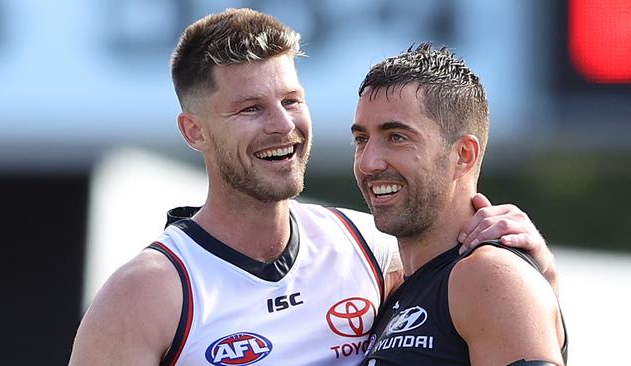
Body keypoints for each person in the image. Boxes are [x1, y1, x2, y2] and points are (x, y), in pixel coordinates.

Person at [68, 9, 559, 366]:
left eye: (291, 100)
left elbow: (502, 311)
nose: (283, 126)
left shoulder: (371, 247)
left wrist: (539, 270)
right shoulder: (145, 294)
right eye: (250, 109)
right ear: (194, 131)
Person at [354, 43, 567, 366]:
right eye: (361, 139)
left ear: (463, 155)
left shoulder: (488, 275)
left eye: (396, 137)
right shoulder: (400, 288)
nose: (369, 162)